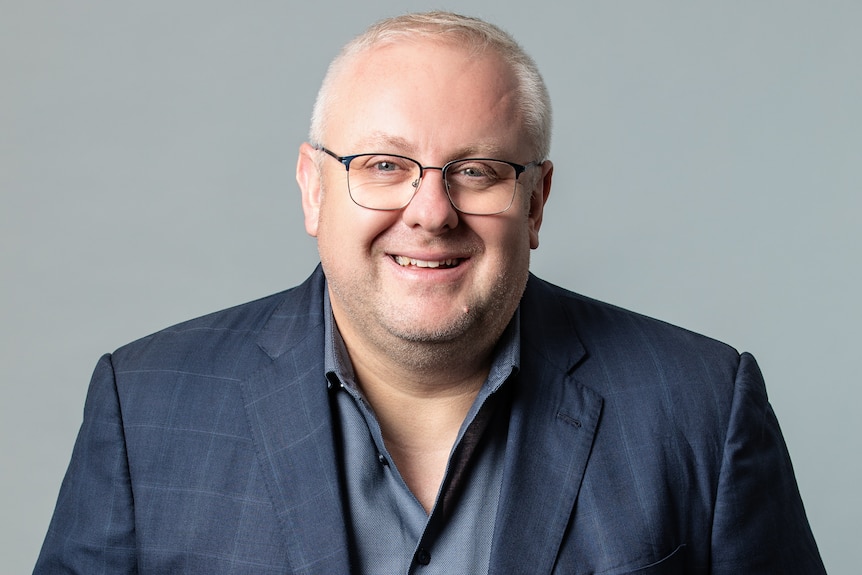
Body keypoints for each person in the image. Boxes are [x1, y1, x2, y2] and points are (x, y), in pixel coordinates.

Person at [34, 11, 825, 575]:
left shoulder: (702, 408)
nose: (432, 211)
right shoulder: (145, 409)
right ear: (313, 189)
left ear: (536, 203)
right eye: (384, 165)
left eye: (476, 170)